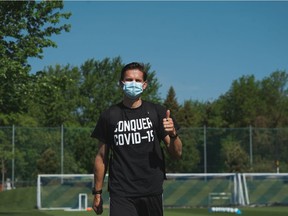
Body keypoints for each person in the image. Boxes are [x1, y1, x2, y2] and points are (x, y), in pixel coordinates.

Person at [91, 62, 182, 216]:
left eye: (138, 80)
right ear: (121, 83)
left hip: (151, 190)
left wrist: (173, 134)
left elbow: (177, 153)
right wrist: (97, 192)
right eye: (128, 80)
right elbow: (101, 157)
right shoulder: (109, 116)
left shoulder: (157, 112)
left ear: (145, 85)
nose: (133, 84)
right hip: (121, 192)